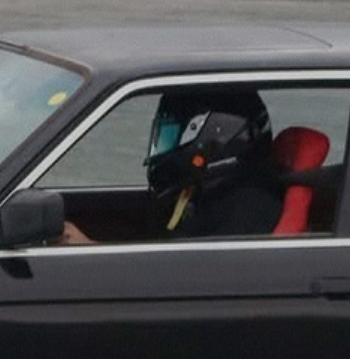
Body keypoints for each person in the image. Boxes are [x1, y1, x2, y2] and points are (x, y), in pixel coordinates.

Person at [58, 87, 282, 244]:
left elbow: (182, 275)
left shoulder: (248, 208)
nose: (166, 149)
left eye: (172, 136)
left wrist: (88, 248)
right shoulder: (201, 194)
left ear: (214, 135)